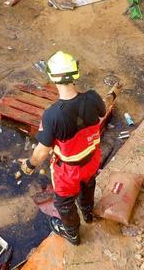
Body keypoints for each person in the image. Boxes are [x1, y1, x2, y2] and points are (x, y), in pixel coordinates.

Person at [19, 52, 117, 246]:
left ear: (52, 77)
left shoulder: (52, 115)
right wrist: (113, 93)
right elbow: (101, 113)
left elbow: (41, 152)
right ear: (75, 73)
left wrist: (29, 165)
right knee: (88, 186)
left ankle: (72, 233)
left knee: (64, 204)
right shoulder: (93, 98)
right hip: (91, 161)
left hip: (67, 172)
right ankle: (88, 213)